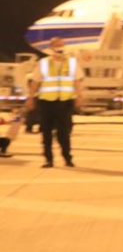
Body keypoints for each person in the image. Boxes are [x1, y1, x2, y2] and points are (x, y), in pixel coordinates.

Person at [25, 37, 84, 168]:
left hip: (65, 102)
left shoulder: (72, 63)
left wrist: (79, 96)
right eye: (56, 45)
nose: (59, 48)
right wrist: (30, 98)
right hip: (47, 102)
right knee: (46, 132)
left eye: (61, 45)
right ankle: (48, 159)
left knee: (64, 132)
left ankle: (67, 158)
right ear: (51, 48)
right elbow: (35, 82)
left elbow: (77, 81)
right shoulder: (44, 63)